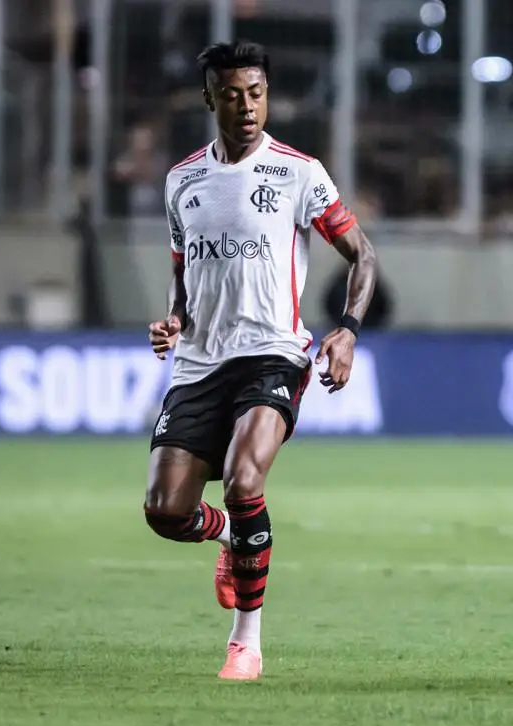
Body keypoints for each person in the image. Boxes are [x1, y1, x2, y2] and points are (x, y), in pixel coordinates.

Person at [144, 40, 378, 681]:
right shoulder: (182, 181)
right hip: (198, 363)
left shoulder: (298, 171)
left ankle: (245, 641)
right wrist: (173, 319)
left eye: (256, 93)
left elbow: (362, 255)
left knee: (248, 480)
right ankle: (230, 537)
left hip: (273, 353)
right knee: (164, 511)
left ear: (266, 95)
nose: (246, 106)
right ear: (209, 98)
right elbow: (181, 273)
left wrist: (348, 330)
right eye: (232, 94)